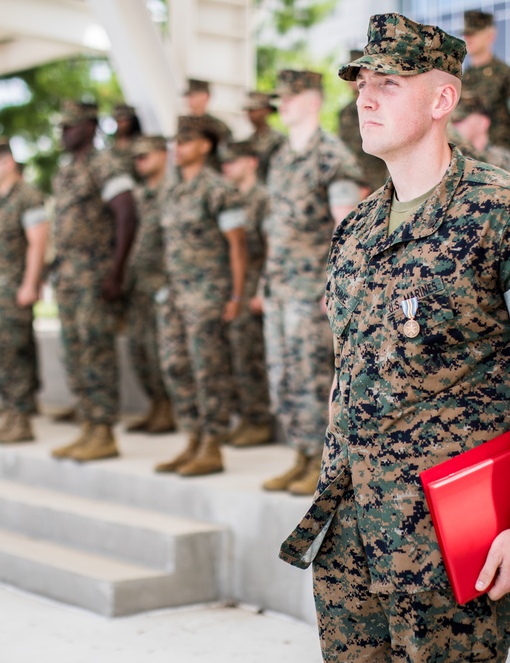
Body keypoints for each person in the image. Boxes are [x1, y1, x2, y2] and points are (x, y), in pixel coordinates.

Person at [277, 14, 510, 663]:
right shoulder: (356, 229)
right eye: (362, 81)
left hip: (451, 543)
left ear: (442, 99)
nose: (365, 97)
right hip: (351, 536)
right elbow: (351, 372)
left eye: (389, 83)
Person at [259, 69, 362, 496]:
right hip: (281, 288)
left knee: (314, 376)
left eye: (291, 96)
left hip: (311, 291)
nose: (282, 103)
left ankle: (324, 464)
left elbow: (347, 230)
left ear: (314, 101)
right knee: (284, 375)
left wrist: (336, 287)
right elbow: (274, 228)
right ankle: (300, 453)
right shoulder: (282, 157)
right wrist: (265, 283)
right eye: (280, 97)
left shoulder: (331, 157)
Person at [153, 116, 247, 477]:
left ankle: (212, 444)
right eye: (176, 140)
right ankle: (192, 437)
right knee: (175, 366)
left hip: (208, 293)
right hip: (176, 295)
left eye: (186, 140)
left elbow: (237, 246)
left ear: (205, 146)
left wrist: (236, 295)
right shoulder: (173, 190)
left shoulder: (218, 189)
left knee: (208, 369)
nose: (178, 147)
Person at [47, 100, 139, 462]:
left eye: (71, 126)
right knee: (74, 353)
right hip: (69, 277)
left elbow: (126, 215)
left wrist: (116, 271)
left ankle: (103, 432)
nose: (64, 133)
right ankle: (87, 426)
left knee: (96, 350)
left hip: (95, 276)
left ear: (89, 127)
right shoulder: (66, 171)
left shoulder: (105, 165)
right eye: (62, 127)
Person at [0, 140, 49, 444]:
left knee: (12, 352)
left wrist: (30, 284)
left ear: (7, 163)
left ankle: (20, 419)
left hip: (13, 289)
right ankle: (9, 412)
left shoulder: (28, 197)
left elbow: (38, 243)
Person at [220, 140, 273, 447]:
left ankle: (257, 419)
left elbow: (270, 248)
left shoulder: (262, 198)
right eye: (225, 163)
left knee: (248, 353)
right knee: (234, 353)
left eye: (234, 161)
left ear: (251, 162)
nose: (227, 167)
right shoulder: (230, 198)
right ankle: (244, 416)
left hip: (254, 280)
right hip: (232, 282)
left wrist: (263, 288)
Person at [125, 134, 177, 434]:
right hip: (140, 284)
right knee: (140, 348)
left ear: (162, 154)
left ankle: (168, 409)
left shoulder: (171, 191)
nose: (140, 162)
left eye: (145, 155)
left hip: (163, 282)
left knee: (161, 350)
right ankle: (155, 405)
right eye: (136, 157)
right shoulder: (141, 193)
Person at [462, 9, 510, 174]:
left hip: (500, 165)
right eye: (466, 33)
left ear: (490, 35)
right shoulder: (461, 79)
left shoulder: (508, 77)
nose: (468, 38)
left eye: (474, 33)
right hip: (468, 166)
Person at [339, 49, 390, 193]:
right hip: (353, 180)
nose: (351, 82)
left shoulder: (382, 105)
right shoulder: (346, 112)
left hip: (377, 179)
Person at [451, 91, 510, 178]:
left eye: (460, 120)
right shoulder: (453, 159)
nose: (454, 126)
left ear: (482, 123)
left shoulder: (505, 163)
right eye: (453, 121)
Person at [184, 79, 232, 171]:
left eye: (193, 96)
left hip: (211, 175)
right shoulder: (184, 124)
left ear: (205, 97)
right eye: (188, 96)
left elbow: (226, 155)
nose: (189, 100)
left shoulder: (218, 126)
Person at [242, 91, 285, 183]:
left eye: (254, 110)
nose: (250, 115)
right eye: (248, 111)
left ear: (266, 111)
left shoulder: (280, 140)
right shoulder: (248, 141)